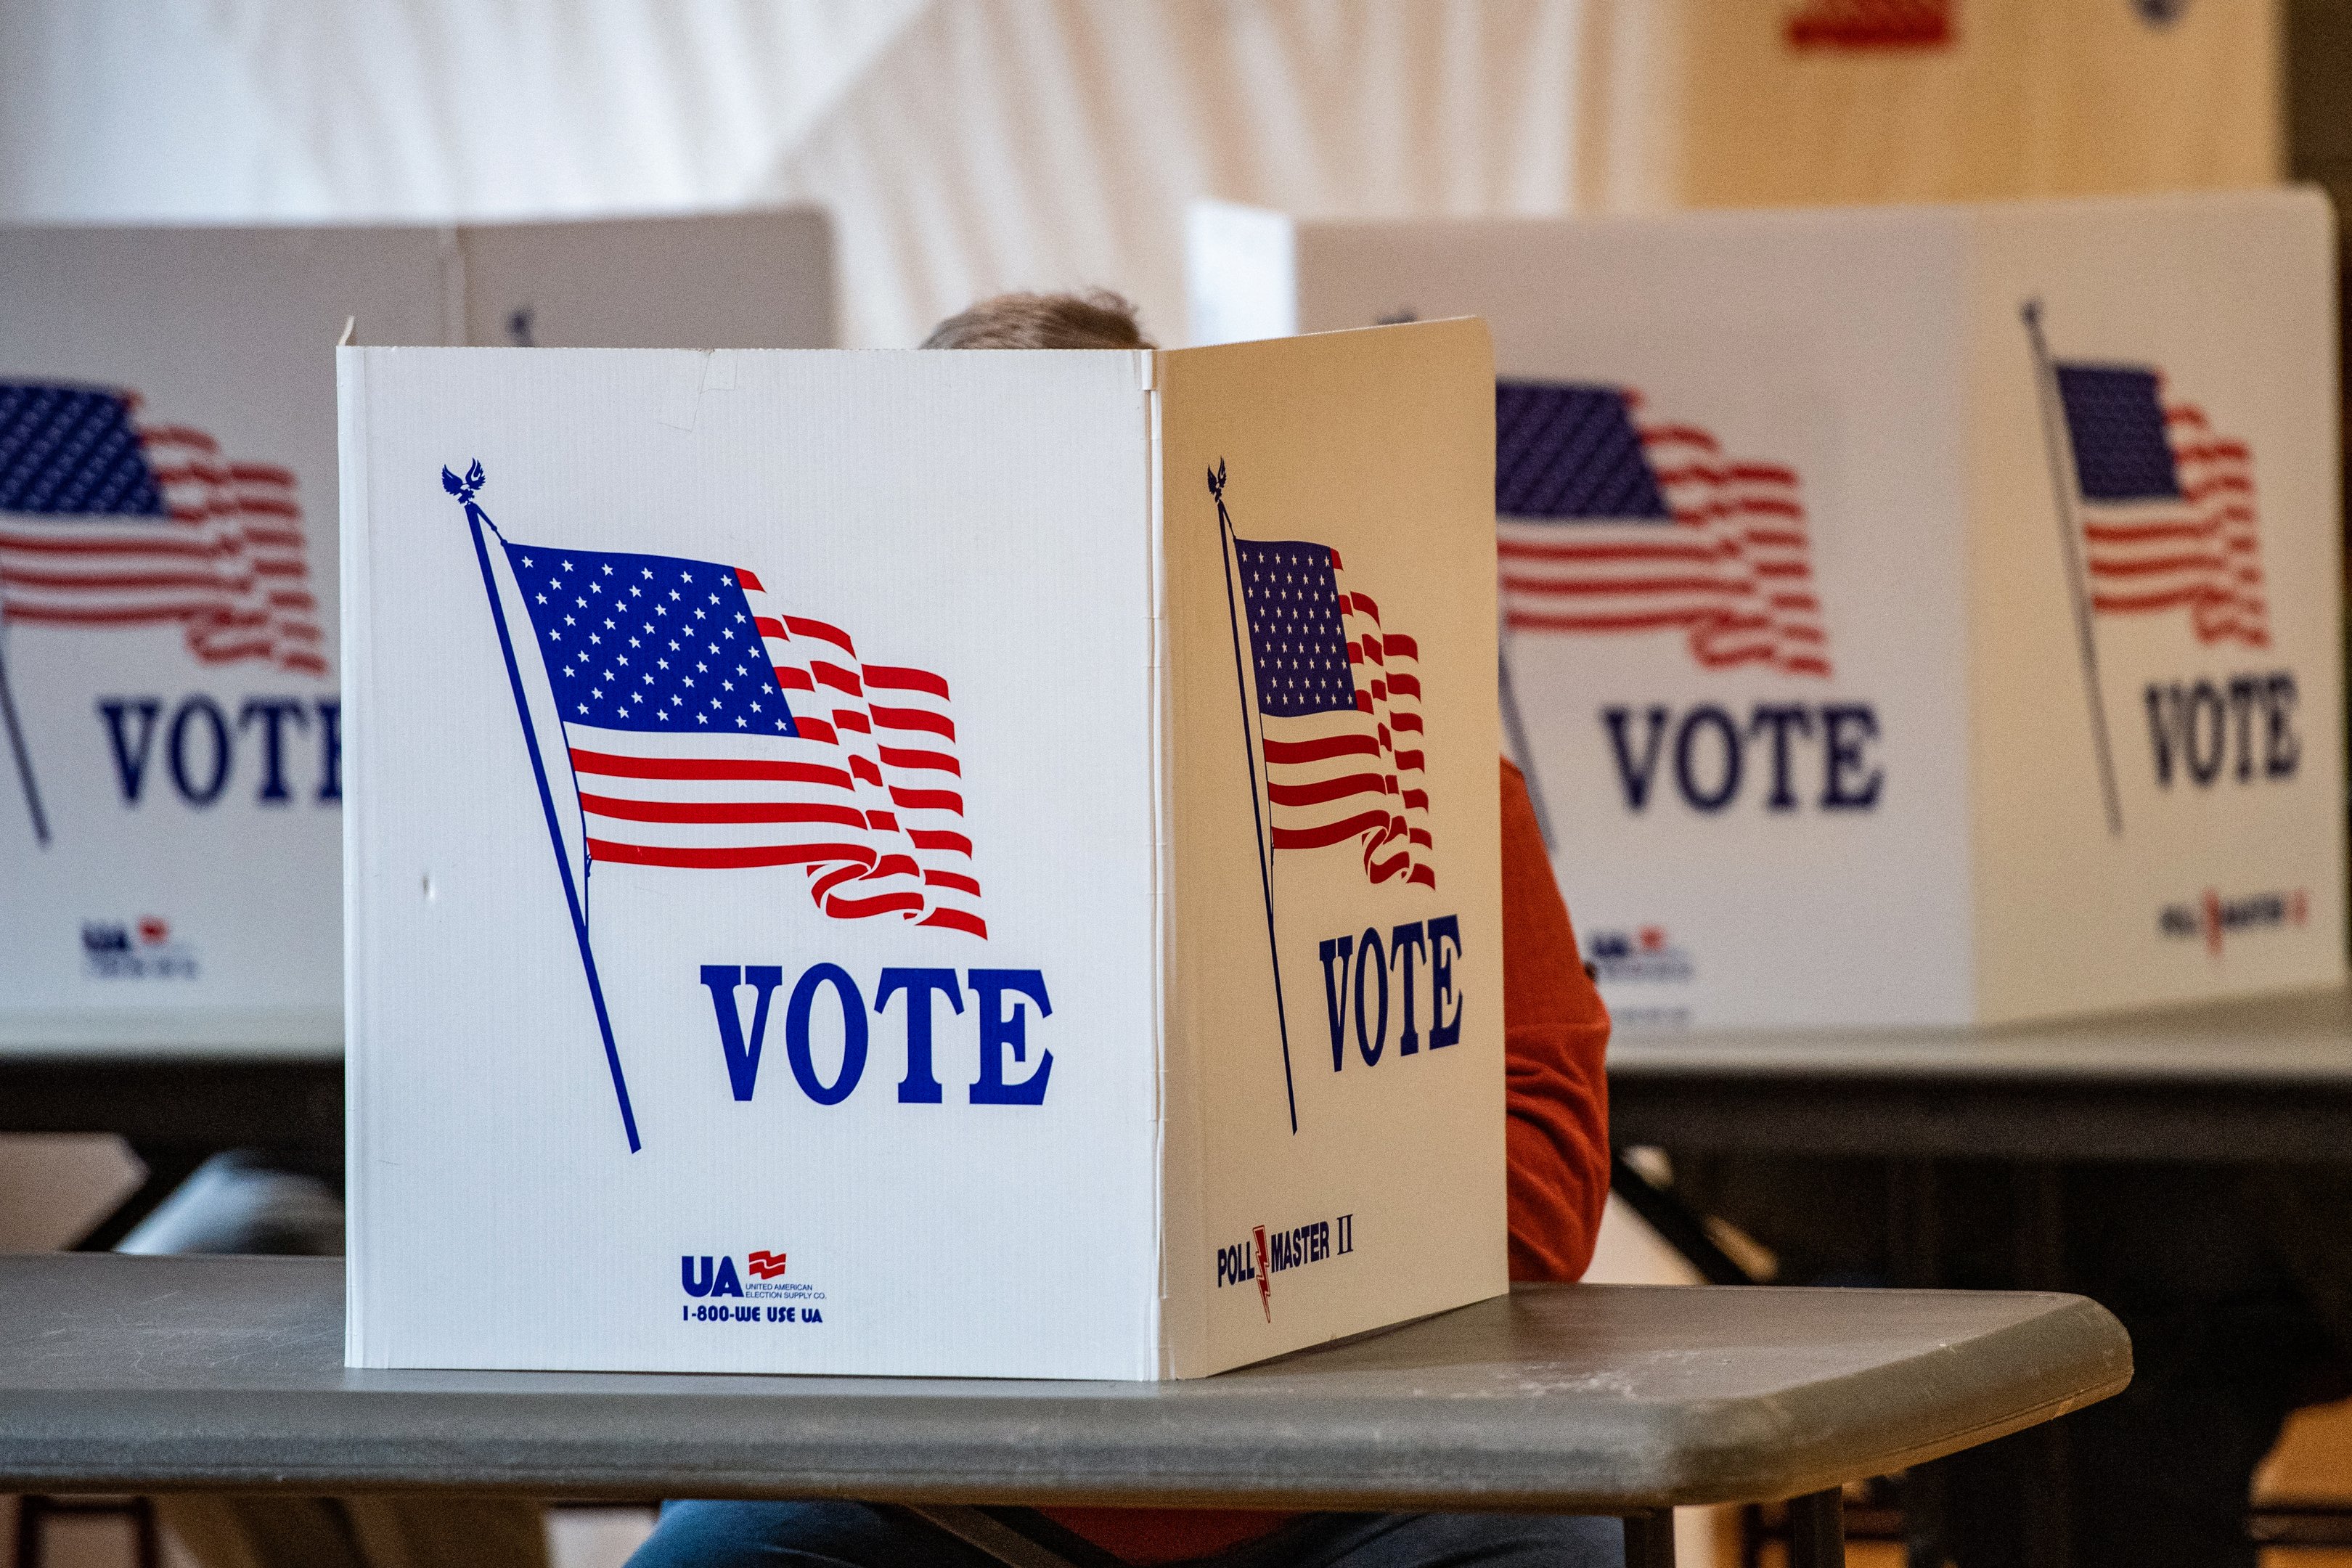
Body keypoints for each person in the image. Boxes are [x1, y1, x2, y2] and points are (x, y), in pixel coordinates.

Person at [626, 293, 1620, 1568]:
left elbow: (1542, 1185)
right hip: (908, 1482)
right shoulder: (790, 800)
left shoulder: (1417, 784)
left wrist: (1300, 1233)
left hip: (1353, 1471)